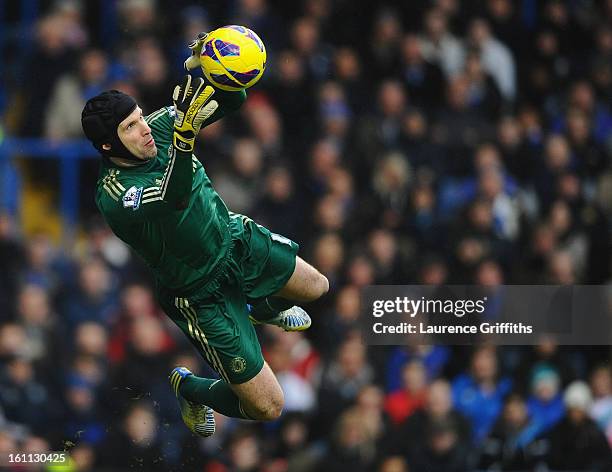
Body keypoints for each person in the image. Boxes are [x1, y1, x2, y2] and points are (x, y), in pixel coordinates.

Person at [80, 33, 329, 437]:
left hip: (234, 241)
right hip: (199, 294)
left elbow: (235, 100)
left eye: (141, 116)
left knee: (318, 287)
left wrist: (210, 64)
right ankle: (192, 389)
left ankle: (261, 307)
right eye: (130, 127)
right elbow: (173, 197)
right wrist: (183, 140)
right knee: (268, 406)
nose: (144, 128)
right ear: (108, 144)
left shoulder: (158, 127)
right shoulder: (114, 195)